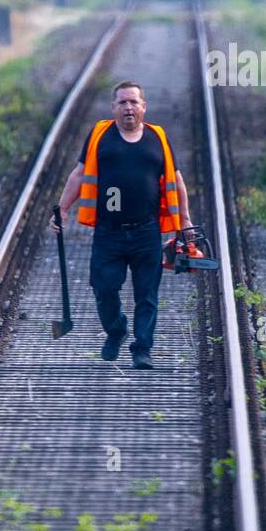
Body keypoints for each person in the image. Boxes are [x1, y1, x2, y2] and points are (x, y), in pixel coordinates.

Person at [50, 80, 194, 369]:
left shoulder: (158, 138)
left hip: (146, 231)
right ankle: (116, 330)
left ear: (144, 107)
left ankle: (142, 348)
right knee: (104, 289)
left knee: (147, 295)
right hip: (109, 232)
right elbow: (79, 175)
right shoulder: (100, 135)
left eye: (133, 102)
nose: (128, 107)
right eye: (122, 102)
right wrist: (62, 209)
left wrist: (186, 222)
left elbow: (176, 181)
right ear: (113, 107)